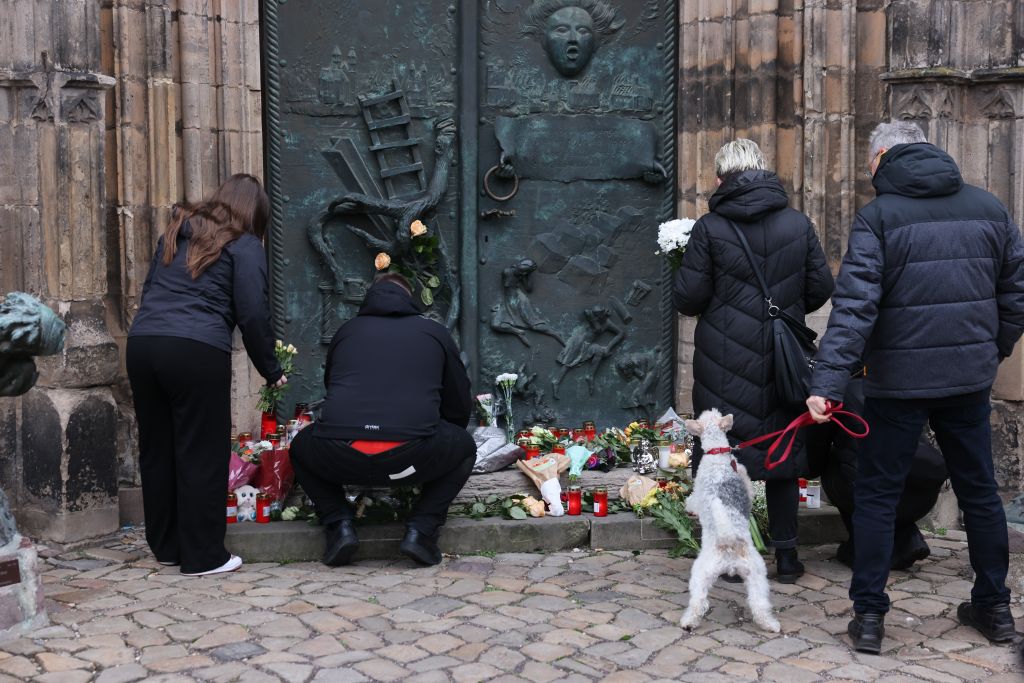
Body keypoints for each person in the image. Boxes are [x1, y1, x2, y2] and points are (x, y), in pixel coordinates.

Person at [806, 121, 1024, 653]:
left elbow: (854, 309)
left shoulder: (879, 216)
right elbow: (1014, 295)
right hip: (967, 380)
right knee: (980, 494)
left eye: (868, 162)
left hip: (898, 384)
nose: (866, 170)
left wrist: (828, 382)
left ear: (881, 158)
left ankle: (871, 619)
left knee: (878, 496)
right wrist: (989, 350)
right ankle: (995, 609)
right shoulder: (989, 207)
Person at [674, 139, 834, 583]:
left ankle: (730, 556)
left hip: (724, 360)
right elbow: (820, 287)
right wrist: (785, 307)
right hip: (782, 358)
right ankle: (787, 557)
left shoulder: (710, 228)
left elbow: (688, 299)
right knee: (783, 449)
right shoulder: (797, 224)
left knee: (728, 454)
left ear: (724, 177)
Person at [127, 174, 285, 576]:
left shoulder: (176, 232)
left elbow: (150, 291)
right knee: (201, 451)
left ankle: (167, 547)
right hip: (195, 348)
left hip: (144, 343)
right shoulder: (244, 245)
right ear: (255, 214)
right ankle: (203, 556)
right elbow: (252, 312)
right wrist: (271, 369)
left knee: (158, 449)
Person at [289, 273, 475, 567]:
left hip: (341, 457)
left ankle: (339, 526)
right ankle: (421, 530)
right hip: (411, 457)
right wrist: (431, 432)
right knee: (464, 446)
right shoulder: (434, 332)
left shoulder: (346, 331)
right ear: (410, 298)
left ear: (370, 297)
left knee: (300, 447)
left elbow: (331, 387)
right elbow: (458, 402)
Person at [821, 374, 946, 571]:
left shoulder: (842, 392)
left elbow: (819, 446)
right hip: (919, 491)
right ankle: (909, 538)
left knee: (837, 468)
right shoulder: (911, 385)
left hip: (867, 490)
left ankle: (859, 550)